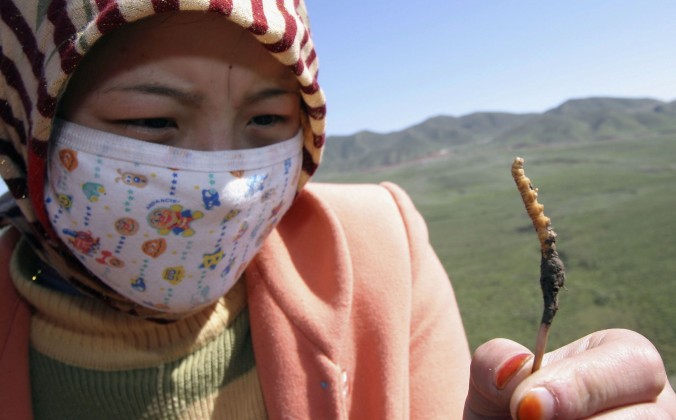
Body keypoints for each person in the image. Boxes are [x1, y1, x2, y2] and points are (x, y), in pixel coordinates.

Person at [0, 1, 673, 419]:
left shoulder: (380, 252)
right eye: (151, 121)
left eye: (267, 118)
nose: (230, 189)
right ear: (30, 125)